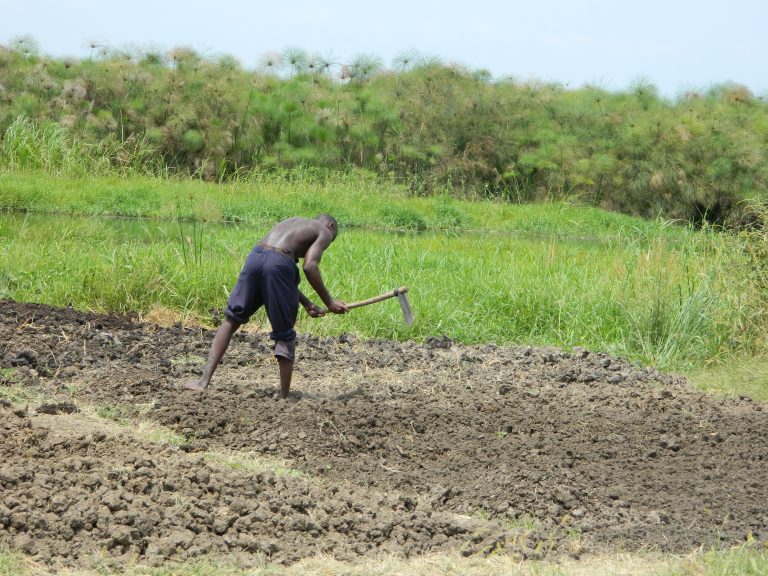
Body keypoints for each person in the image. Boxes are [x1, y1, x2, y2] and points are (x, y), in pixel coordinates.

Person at [182, 214, 348, 398]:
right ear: (330, 226)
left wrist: (307, 303)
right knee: (284, 333)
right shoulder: (324, 231)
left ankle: (202, 382)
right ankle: (285, 396)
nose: (326, 244)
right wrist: (329, 302)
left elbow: (272, 264)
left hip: (256, 256)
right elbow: (309, 266)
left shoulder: (293, 223)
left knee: (231, 319)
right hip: (278, 262)